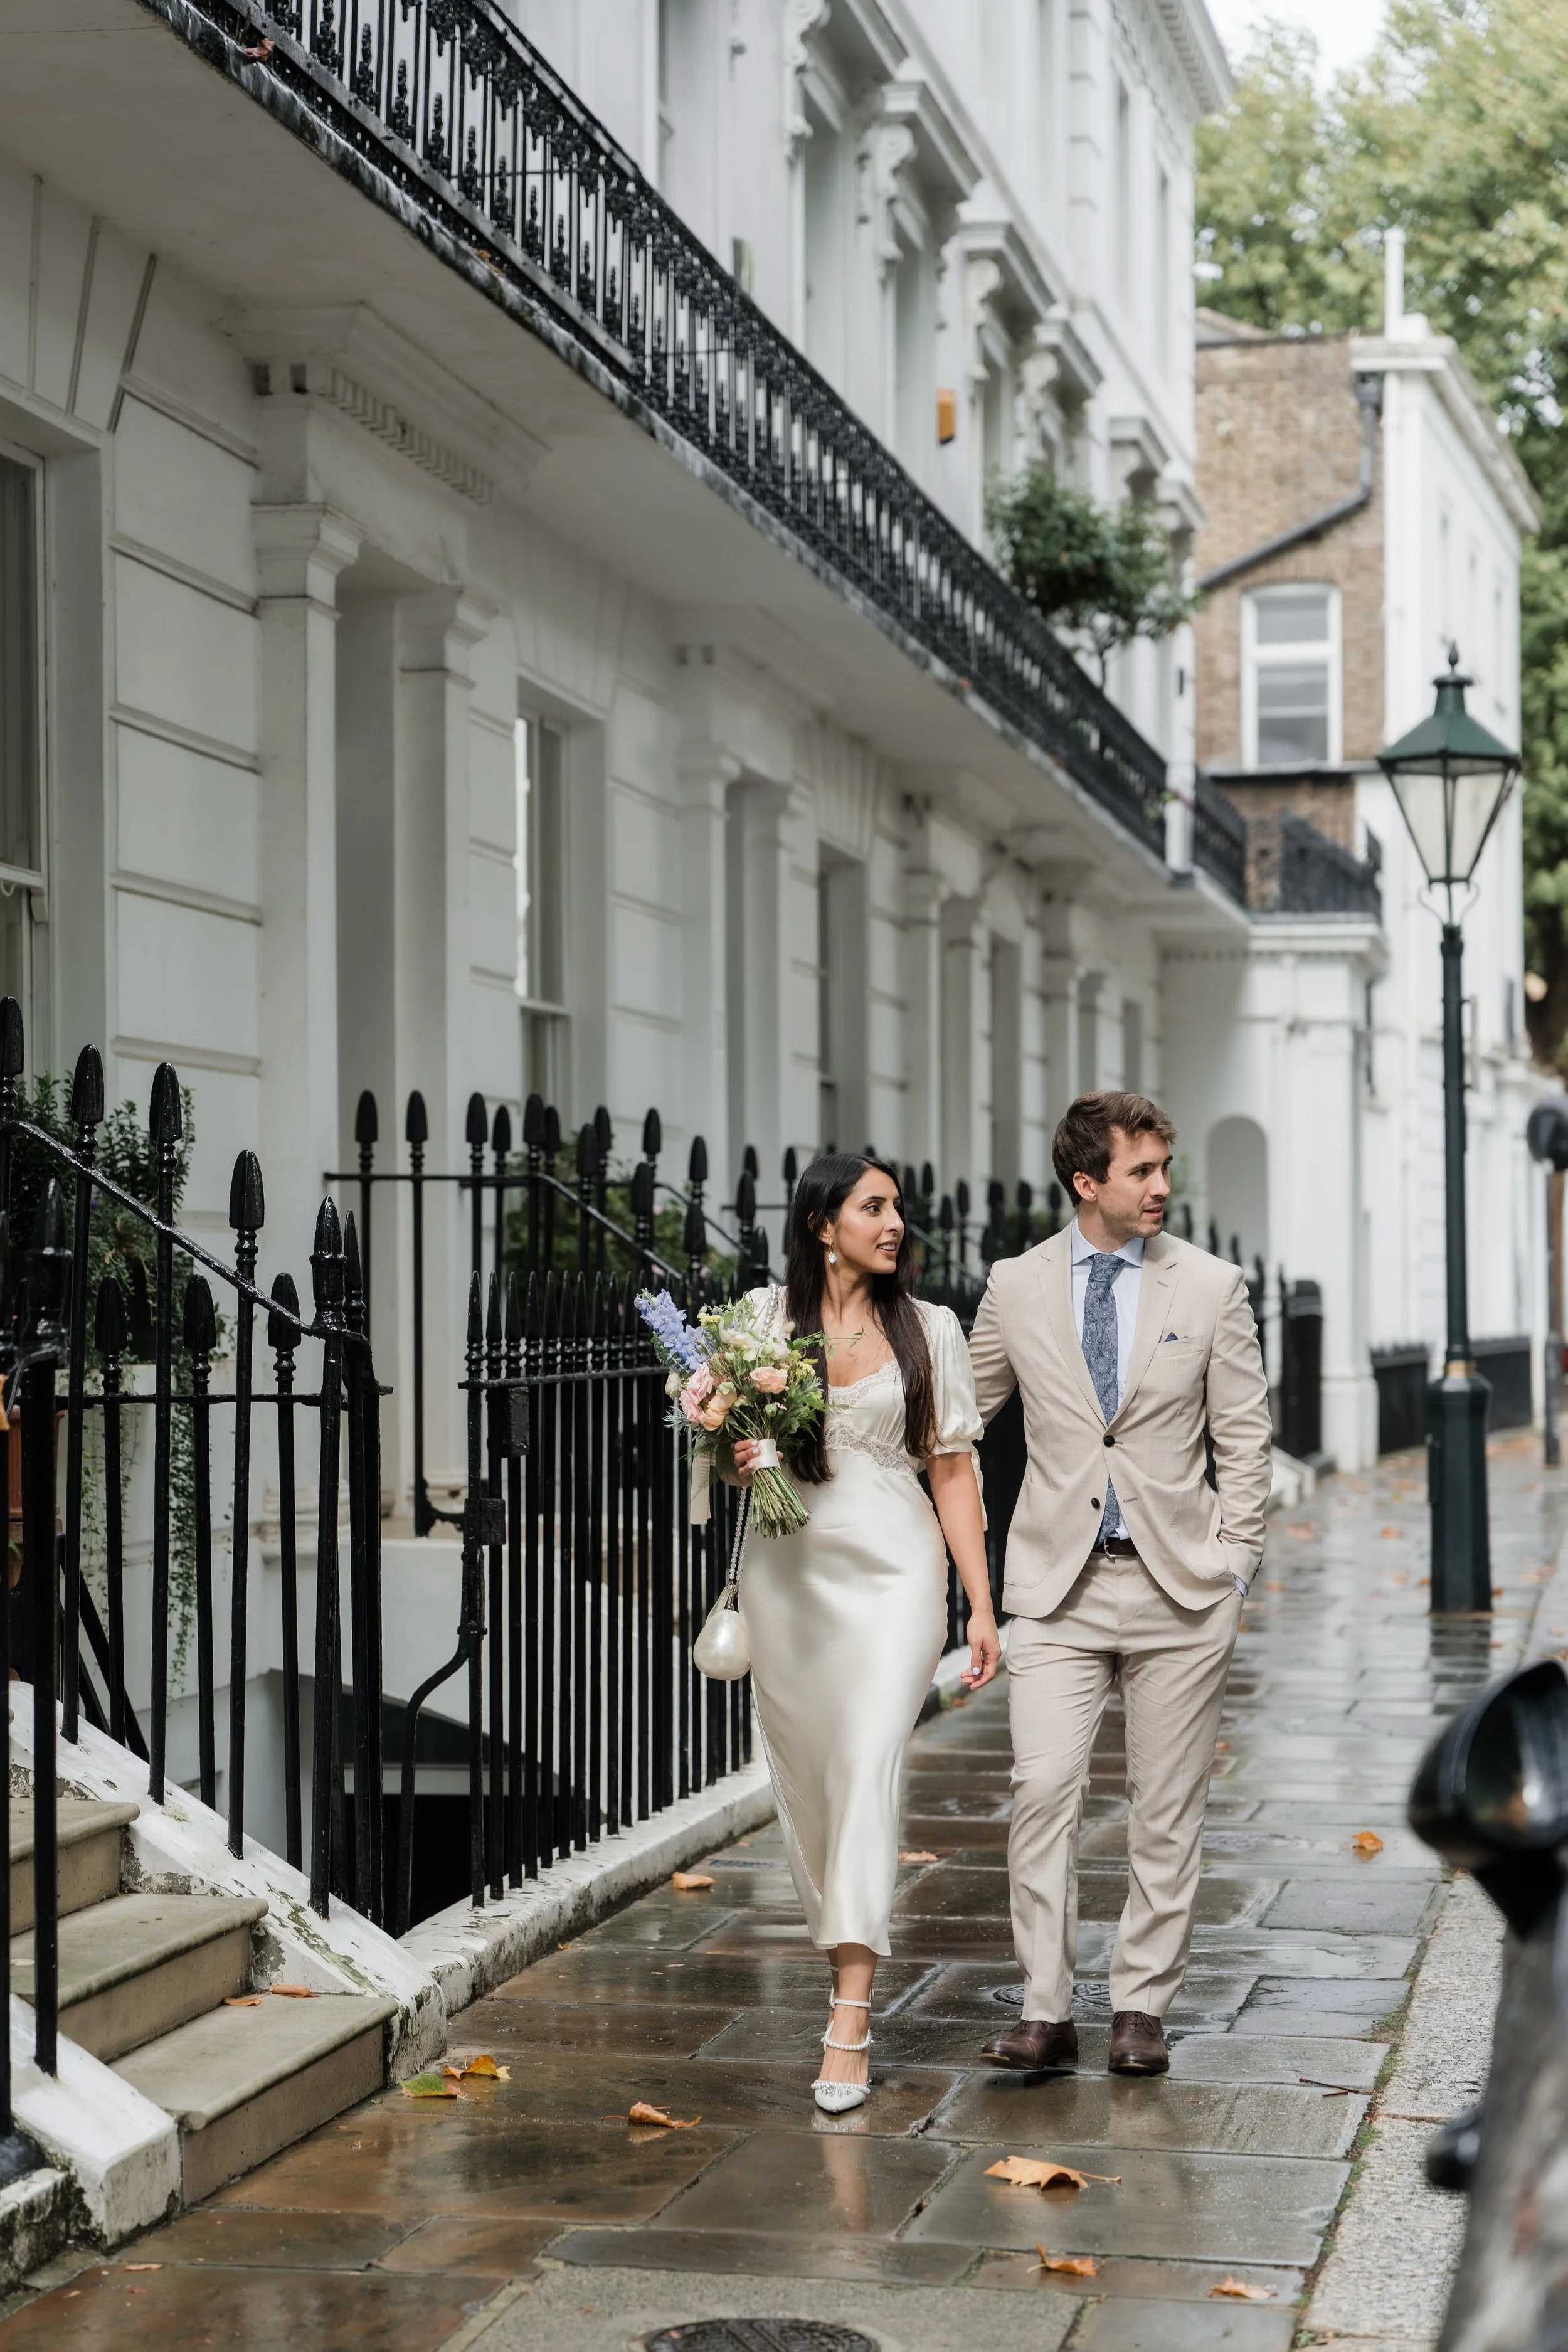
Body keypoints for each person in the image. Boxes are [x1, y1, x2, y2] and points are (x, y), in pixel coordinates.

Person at [968, 1093, 1272, 2077]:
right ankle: (1046, 2006)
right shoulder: (1014, 1286)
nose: (1161, 1188)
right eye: (1141, 1171)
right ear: (1085, 1181)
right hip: (1054, 1587)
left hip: (1180, 1588)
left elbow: (1245, 1439)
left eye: (1164, 1168)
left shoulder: (1212, 1285)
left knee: (1165, 1806)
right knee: (1043, 1791)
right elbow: (957, 1417)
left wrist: (1234, 1566)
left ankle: (1141, 2004)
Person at [730, 1153, 999, 2114]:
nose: (893, 1223)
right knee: (811, 1781)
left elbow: (954, 1470)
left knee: (867, 1767)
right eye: (872, 1207)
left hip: (894, 1574)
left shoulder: (930, 1329)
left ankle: (850, 2017)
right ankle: (840, 1941)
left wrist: (979, 1599)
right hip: (789, 1577)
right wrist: (732, 1445)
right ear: (820, 1222)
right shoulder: (761, 1321)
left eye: (896, 1208)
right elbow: (727, 1470)